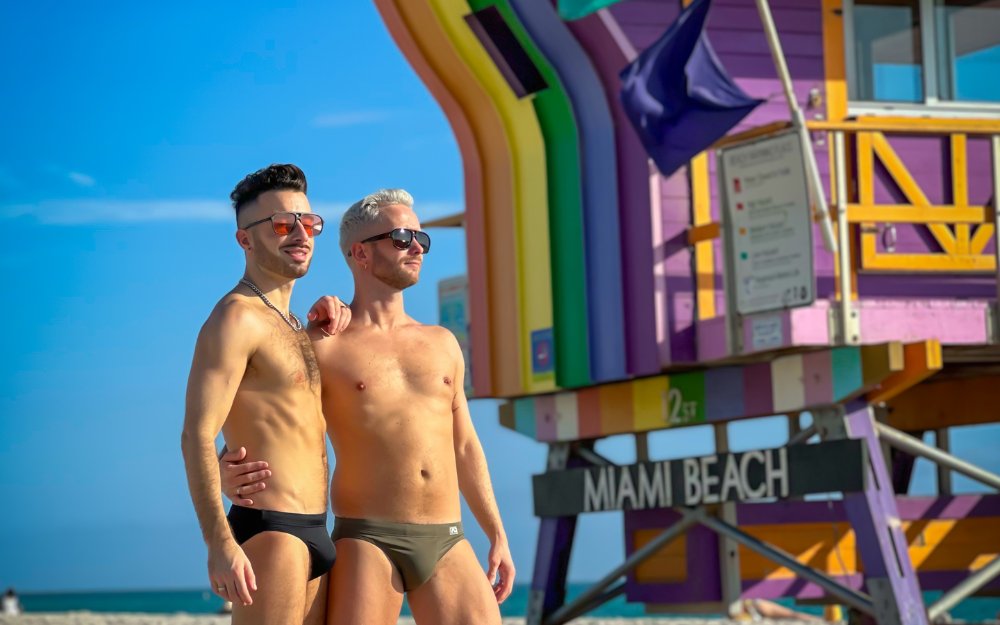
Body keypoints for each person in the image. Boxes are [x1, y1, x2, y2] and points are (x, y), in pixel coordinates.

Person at [222, 189, 515, 625]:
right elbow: (266, 412)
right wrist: (225, 465)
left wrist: (497, 533)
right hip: (366, 538)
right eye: (401, 237)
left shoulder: (443, 343)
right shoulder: (322, 343)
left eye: (421, 238)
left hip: (448, 537)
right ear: (360, 253)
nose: (417, 246)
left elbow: (466, 445)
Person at [181, 164, 350, 625]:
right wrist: (219, 544)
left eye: (308, 222)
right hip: (272, 531)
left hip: (317, 529)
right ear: (245, 240)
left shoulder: (297, 326)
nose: (300, 233)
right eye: (281, 223)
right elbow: (197, 434)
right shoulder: (236, 318)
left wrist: (338, 313)